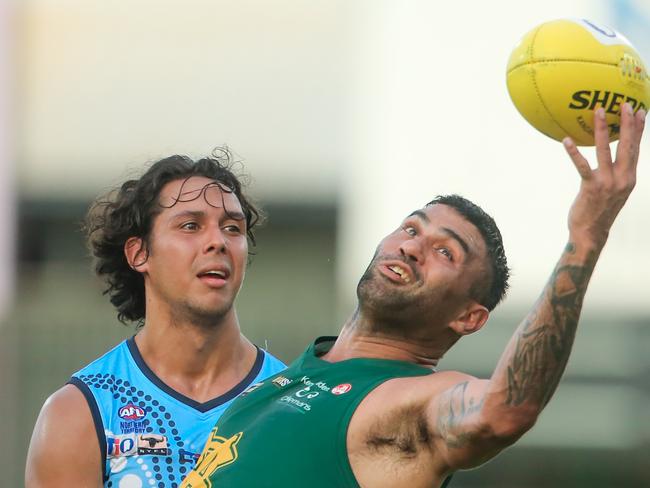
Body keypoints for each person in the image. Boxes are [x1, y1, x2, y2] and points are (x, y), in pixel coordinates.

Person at [181, 104, 645, 488]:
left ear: (469, 317)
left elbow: (505, 410)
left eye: (445, 250)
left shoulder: (413, 405)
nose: (413, 245)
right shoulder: (281, 378)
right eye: (411, 227)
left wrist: (585, 238)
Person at [25, 150, 286, 487]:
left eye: (232, 228)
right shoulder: (80, 412)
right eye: (191, 225)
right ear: (139, 253)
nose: (217, 241)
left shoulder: (288, 404)